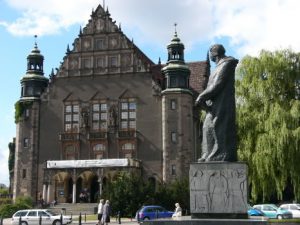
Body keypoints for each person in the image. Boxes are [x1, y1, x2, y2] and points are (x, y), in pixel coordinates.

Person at [195, 44, 238, 162]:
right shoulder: (218, 66)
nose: (209, 55)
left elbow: (217, 85)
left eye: (210, 52)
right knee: (207, 126)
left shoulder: (227, 63)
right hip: (213, 104)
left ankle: (219, 154)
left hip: (223, 104)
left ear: (214, 53)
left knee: (218, 126)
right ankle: (207, 153)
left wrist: (201, 96)